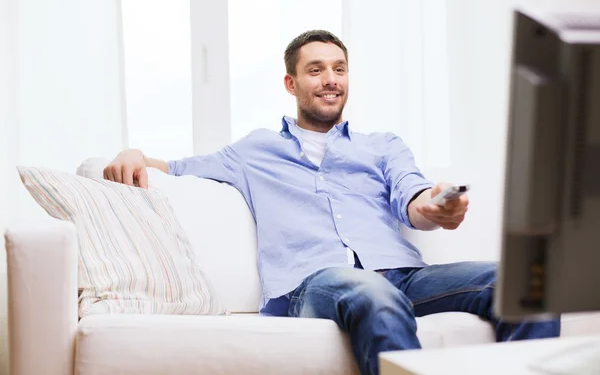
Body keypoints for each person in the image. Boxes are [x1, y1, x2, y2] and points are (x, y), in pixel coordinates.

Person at [105, 30, 560, 375]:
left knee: (525, 280)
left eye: (339, 69)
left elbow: (414, 199)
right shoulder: (252, 151)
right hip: (315, 283)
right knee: (371, 292)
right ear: (291, 82)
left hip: (403, 277)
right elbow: (179, 168)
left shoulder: (382, 146)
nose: (330, 80)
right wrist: (134, 155)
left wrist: (435, 207)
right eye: (316, 69)